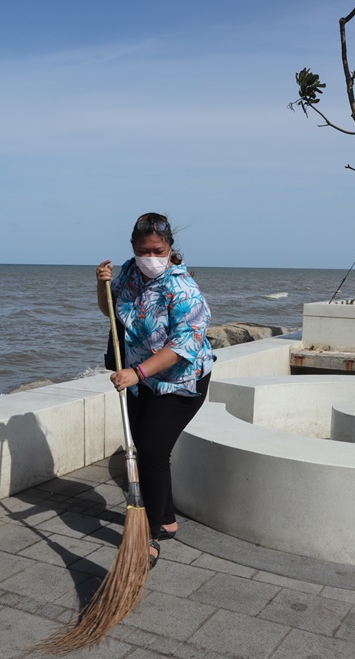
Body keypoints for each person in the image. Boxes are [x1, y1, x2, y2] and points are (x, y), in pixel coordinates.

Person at [96, 212, 215, 568]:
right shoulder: (130, 273)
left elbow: (183, 347)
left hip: (180, 381)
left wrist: (137, 373)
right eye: (144, 251)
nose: (150, 258)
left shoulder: (184, 289)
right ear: (134, 248)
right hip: (142, 379)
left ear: (169, 248)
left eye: (157, 251)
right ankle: (167, 519)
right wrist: (101, 284)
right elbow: (111, 311)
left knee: (151, 452)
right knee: (148, 450)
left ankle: (149, 536)